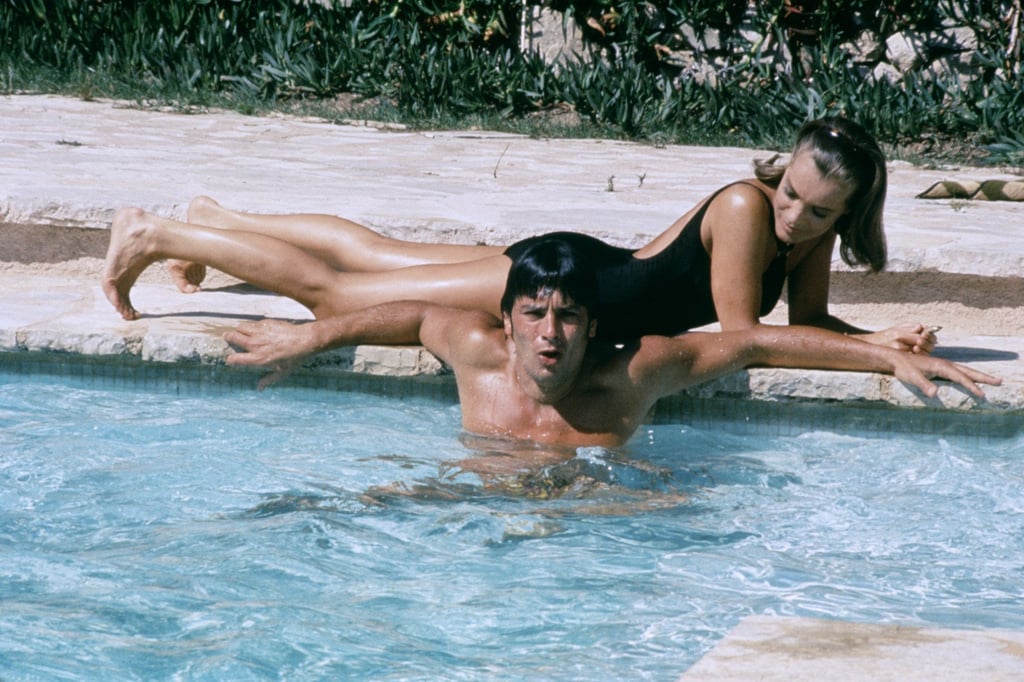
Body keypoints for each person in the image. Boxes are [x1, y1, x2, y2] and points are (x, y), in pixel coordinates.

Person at [103, 117, 937, 353]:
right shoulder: (749, 210)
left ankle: (217, 222)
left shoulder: (805, 230)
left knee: (370, 253)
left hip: (580, 261)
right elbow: (749, 339)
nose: (796, 215)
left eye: (821, 211)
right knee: (338, 293)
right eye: (792, 191)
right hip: (565, 287)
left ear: (848, 215)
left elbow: (807, 325)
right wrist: (877, 356)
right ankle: (156, 233)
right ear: (780, 172)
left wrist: (877, 335)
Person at [221, 237, 999, 449]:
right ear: (509, 319)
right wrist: (308, 339)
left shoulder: (636, 373)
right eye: (534, 315)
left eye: (568, 319)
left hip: (604, 529)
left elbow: (757, 345)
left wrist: (884, 352)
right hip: (470, 518)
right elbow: (413, 314)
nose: (550, 335)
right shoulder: (475, 348)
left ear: (595, 327)